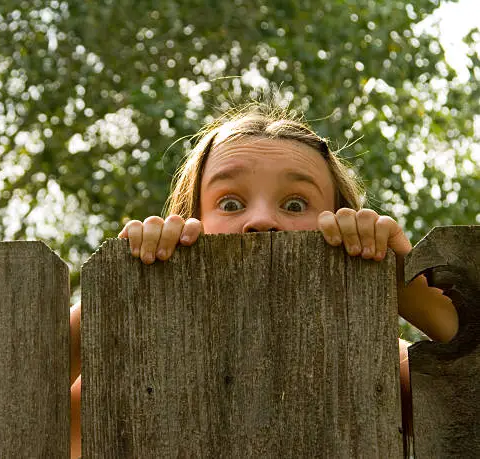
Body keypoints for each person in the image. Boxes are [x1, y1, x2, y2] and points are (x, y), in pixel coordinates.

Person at [68, 101, 459, 458]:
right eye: (231, 203)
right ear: (192, 222)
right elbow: (18, 408)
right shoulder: (132, 373)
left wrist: (406, 284)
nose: (260, 221)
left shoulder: (382, 364)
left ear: (342, 221)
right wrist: (116, 301)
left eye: (294, 204)